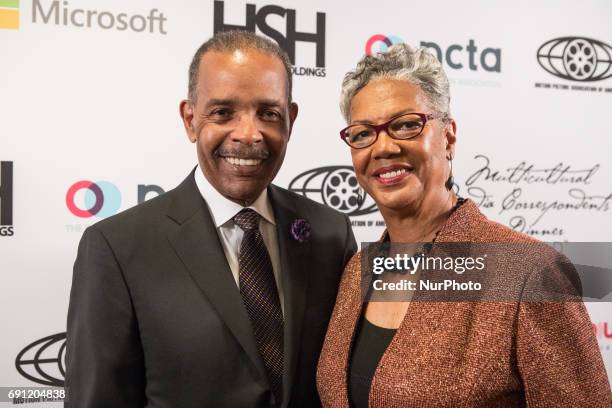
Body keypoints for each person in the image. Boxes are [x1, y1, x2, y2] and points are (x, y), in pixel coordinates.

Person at [65, 30, 356, 408]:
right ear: (190, 119)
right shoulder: (116, 248)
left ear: (291, 121)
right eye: (223, 112)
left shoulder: (331, 234)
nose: (249, 134)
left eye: (268, 113)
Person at [316, 43, 611, 407]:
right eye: (363, 133)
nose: (384, 147)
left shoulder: (529, 272)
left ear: (448, 137)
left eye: (407, 125)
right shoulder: (357, 270)